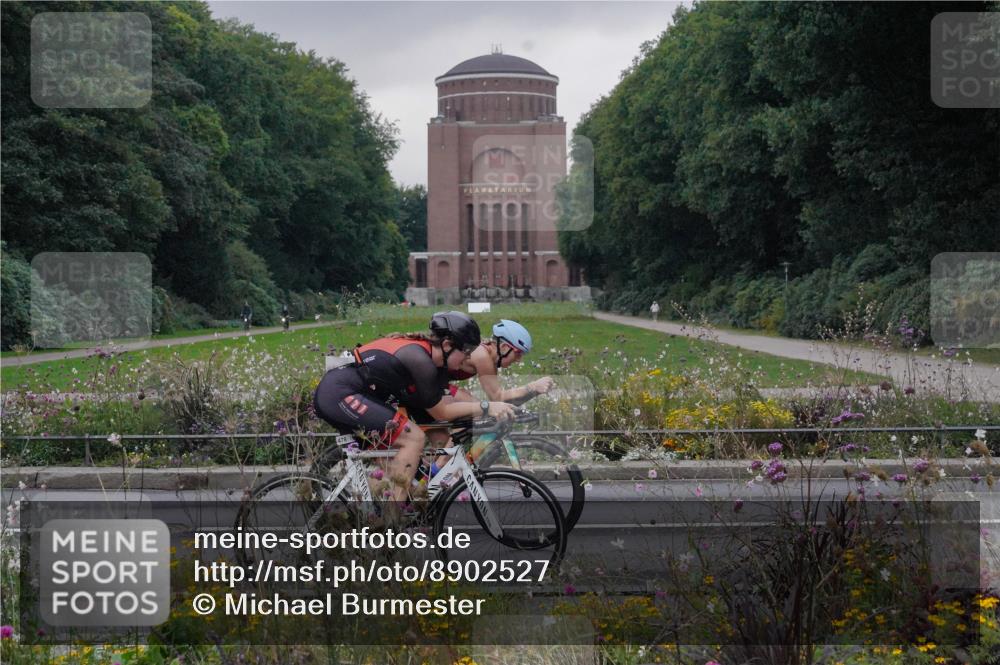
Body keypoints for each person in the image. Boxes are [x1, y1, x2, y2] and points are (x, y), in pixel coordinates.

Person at [312, 311, 515, 502]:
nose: (469, 358)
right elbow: (442, 411)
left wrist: (478, 414)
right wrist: (487, 406)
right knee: (413, 437)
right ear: (446, 345)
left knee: (409, 467)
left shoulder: (436, 364)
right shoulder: (420, 361)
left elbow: (439, 409)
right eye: (466, 351)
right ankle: (390, 523)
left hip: (360, 393)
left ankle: (375, 516)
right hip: (340, 392)